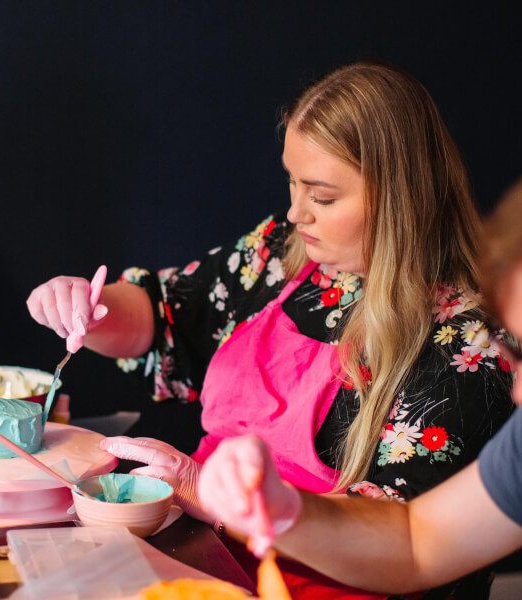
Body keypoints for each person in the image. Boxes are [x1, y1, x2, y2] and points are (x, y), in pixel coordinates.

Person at [27, 60, 514, 599]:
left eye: (322, 196)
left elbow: (409, 544)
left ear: (402, 198)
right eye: (292, 182)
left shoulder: (467, 346)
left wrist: (216, 493)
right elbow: (168, 318)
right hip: (210, 548)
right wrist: (94, 312)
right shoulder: (282, 252)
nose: (295, 211)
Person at [197, 177, 522, 596]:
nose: (517, 393)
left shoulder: (462, 341)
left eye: (324, 196)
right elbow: (417, 542)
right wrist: (284, 507)